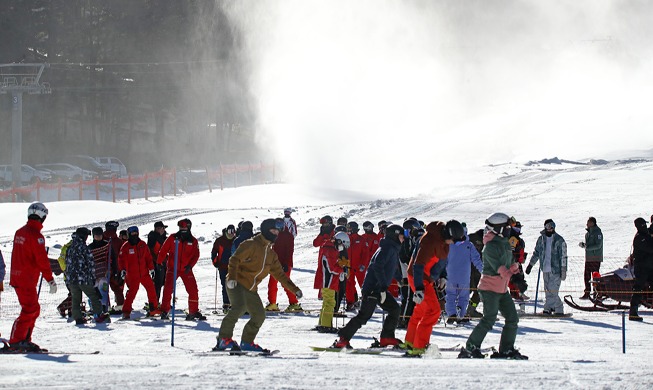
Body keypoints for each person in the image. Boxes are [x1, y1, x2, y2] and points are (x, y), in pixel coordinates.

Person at [214, 219, 303, 353]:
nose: (275, 234)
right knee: (239, 307)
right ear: (266, 230)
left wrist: (294, 289)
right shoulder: (251, 244)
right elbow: (234, 259)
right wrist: (232, 277)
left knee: (259, 315)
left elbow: (280, 275)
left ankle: (247, 342)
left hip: (251, 288)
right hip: (237, 282)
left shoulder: (271, 254)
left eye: (277, 232)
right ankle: (223, 339)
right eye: (273, 231)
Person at [459, 213, 526, 360]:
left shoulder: (505, 243)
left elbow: (511, 263)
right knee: (489, 319)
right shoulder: (489, 247)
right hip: (489, 289)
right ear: (498, 228)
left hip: (501, 290)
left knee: (512, 318)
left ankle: (506, 349)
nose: (509, 229)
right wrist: (513, 277)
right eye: (507, 227)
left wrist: (518, 274)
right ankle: (471, 347)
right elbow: (500, 268)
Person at [331, 224, 404, 350]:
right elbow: (378, 266)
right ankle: (343, 339)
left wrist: (399, 278)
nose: (404, 239)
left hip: (379, 288)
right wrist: (382, 287)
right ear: (395, 236)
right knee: (364, 315)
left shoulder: (391, 248)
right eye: (402, 236)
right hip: (373, 288)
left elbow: (391, 267)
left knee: (394, 309)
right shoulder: (387, 249)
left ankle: (387, 337)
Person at [405, 220, 465, 356]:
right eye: (454, 241)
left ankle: (410, 341)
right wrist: (419, 289)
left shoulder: (443, 241)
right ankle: (419, 346)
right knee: (433, 311)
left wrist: (442, 276)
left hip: (426, 278)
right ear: (449, 235)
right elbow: (418, 265)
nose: (454, 244)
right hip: (418, 277)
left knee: (421, 310)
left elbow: (441, 261)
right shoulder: (430, 241)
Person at [5, 203, 57, 352]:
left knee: (33, 309)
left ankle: (24, 339)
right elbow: (41, 260)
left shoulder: (19, 232)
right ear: (42, 217)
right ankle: (17, 340)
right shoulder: (36, 236)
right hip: (26, 279)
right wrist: (50, 279)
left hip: (18, 277)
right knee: (30, 309)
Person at [157, 219, 204, 320]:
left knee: (193, 290)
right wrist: (159, 262)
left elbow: (196, 255)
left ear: (188, 227)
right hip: (172, 268)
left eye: (184, 227)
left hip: (186, 269)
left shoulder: (193, 241)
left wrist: (190, 266)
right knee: (168, 289)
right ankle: (165, 311)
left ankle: (193, 311)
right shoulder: (173, 238)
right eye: (180, 227)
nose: (182, 229)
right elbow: (164, 250)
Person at [65, 227, 109, 325]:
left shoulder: (70, 247)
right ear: (83, 236)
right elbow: (90, 263)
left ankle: (78, 318)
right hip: (83, 278)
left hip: (72, 278)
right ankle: (99, 314)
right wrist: (92, 278)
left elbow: (66, 262)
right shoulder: (83, 247)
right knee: (93, 295)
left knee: (76, 299)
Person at [525, 219, 568, 316]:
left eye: (552, 226)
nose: (550, 228)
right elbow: (536, 253)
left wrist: (563, 269)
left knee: (553, 290)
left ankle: (558, 308)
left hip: (555, 270)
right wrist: (530, 265)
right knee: (548, 291)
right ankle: (549, 308)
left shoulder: (559, 240)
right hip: (545, 268)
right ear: (545, 227)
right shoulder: (541, 239)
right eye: (548, 226)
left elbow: (563, 256)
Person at [118, 226, 161, 319]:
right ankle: (126, 311)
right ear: (129, 235)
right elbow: (121, 260)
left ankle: (153, 309)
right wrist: (123, 270)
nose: (134, 235)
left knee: (151, 289)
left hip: (144, 273)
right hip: (133, 275)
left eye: (135, 233)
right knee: (132, 293)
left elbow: (148, 258)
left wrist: (151, 268)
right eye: (132, 234)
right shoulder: (125, 246)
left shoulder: (142, 244)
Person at [445, 225, 483, 324]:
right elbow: (476, 259)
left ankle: (452, 313)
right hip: (464, 276)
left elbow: (443, 259)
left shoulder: (448, 244)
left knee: (450, 295)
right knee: (463, 296)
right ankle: (460, 315)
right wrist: (483, 271)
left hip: (450, 275)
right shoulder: (469, 245)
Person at [316, 231, 349, 332]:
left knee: (327, 302)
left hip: (328, 281)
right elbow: (331, 269)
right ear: (339, 241)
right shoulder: (330, 250)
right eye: (343, 245)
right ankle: (326, 326)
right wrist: (341, 269)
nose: (343, 248)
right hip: (328, 281)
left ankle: (322, 323)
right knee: (330, 302)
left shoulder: (330, 248)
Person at [268, 215, 301, 312]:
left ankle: (294, 303)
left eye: (279, 225)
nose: (277, 227)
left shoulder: (288, 236)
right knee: (272, 284)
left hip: (284, 264)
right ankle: (272, 303)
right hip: (275, 264)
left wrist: (286, 264)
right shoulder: (274, 236)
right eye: (276, 225)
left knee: (285, 283)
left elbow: (289, 251)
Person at [397, 219, 421, 329]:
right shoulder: (405, 241)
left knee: (411, 298)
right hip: (406, 274)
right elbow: (404, 256)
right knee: (407, 298)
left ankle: (408, 319)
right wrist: (412, 264)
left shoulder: (411, 240)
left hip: (411, 273)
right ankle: (402, 319)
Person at [628, 218, 653, 321]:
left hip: (650, 267)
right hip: (642, 268)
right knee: (638, 288)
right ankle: (633, 312)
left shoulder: (646, 235)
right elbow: (650, 248)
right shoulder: (639, 238)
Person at [211, 225, 236, 313]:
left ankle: (233, 303)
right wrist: (215, 262)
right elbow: (214, 252)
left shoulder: (235, 240)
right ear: (226, 231)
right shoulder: (220, 241)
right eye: (230, 231)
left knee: (232, 285)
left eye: (233, 231)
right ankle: (226, 304)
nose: (231, 234)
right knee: (225, 285)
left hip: (233, 267)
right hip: (222, 267)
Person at [345, 221, 369, 311]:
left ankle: (367, 301)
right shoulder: (346, 238)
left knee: (363, 284)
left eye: (350, 228)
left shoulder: (361, 239)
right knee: (348, 285)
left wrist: (363, 265)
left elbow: (365, 254)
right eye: (348, 228)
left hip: (359, 267)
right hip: (348, 266)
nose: (348, 230)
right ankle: (351, 302)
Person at [578, 217, 603, 299]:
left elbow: (598, 245)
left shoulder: (598, 232)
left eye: (588, 222)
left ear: (592, 223)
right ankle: (587, 292)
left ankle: (598, 293)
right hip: (588, 258)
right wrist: (584, 245)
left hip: (595, 258)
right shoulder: (588, 233)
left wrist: (587, 247)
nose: (587, 224)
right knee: (587, 276)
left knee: (595, 276)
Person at [103, 221, 125, 314]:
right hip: (116, 268)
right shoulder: (119, 241)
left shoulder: (100, 239)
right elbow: (122, 255)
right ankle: (120, 306)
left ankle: (105, 306)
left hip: (103, 268)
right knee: (117, 287)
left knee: (103, 288)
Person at [88, 227, 111, 312]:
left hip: (104, 272)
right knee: (94, 291)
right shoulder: (90, 247)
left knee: (104, 290)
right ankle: (93, 307)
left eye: (100, 235)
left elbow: (112, 257)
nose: (98, 237)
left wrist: (112, 269)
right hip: (94, 273)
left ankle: (105, 306)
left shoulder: (107, 245)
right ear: (93, 236)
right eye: (96, 236)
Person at [508, 220, 529, 302]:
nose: (518, 230)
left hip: (518, 262)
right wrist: (514, 261)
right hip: (513, 263)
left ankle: (518, 294)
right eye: (516, 228)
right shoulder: (513, 239)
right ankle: (517, 294)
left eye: (519, 228)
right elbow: (510, 251)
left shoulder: (517, 239)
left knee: (518, 278)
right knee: (516, 279)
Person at [313, 216, 335, 295]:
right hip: (323, 256)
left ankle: (332, 293)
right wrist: (321, 235)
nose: (323, 225)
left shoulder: (335, 232)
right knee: (322, 274)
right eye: (322, 224)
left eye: (325, 223)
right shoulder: (323, 232)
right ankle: (322, 293)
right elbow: (315, 243)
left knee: (332, 275)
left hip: (332, 257)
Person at [147, 221, 168, 302]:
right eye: (160, 228)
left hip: (163, 263)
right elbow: (152, 251)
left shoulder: (163, 237)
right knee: (157, 283)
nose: (162, 230)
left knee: (164, 283)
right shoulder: (153, 237)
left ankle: (161, 301)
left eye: (162, 228)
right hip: (156, 263)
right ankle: (155, 302)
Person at [466, 228, 485, 318]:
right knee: (476, 291)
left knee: (474, 290)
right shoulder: (476, 239)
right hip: (473, 268)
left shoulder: (470, 237)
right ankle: (470, 309)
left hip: (471, 269)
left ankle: (470, 309)